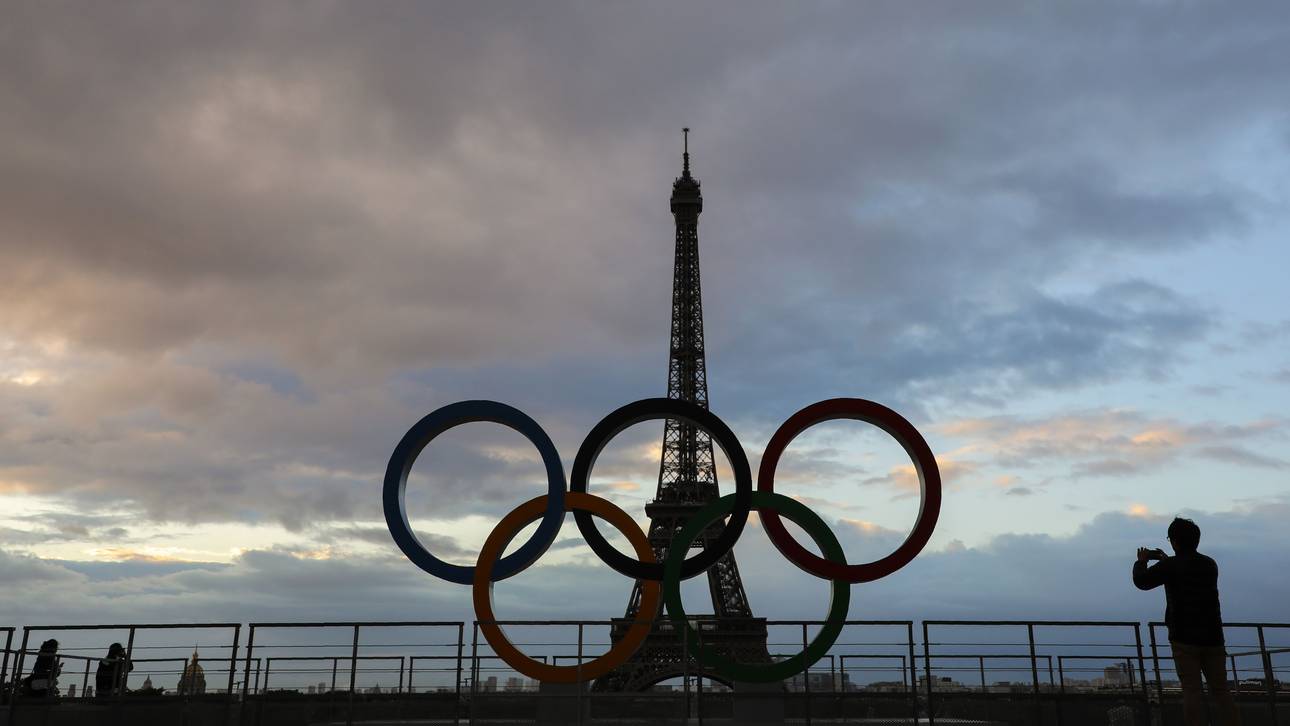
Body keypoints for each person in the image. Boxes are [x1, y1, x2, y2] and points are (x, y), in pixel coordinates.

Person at [1133, 517, 1240, 726]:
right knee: (1221, 690)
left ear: (1174, 541)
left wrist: (1141, 561)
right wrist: (1167, 561)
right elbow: (1184, 572)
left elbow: (1142, 581)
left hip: (1183, 638)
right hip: (1213, 637)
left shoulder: (1170, 566)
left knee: (1192, 690)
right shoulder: (1210, 564)